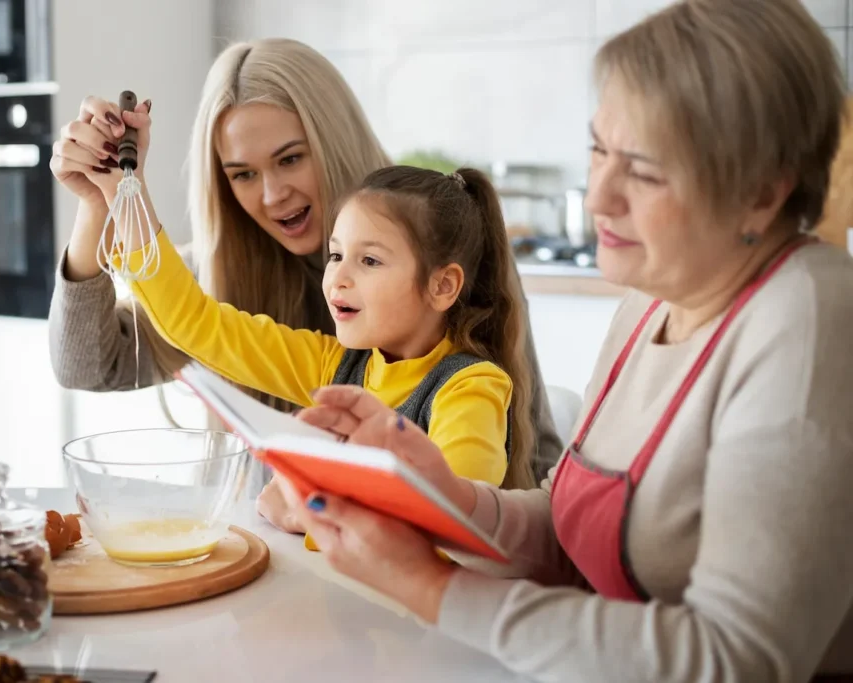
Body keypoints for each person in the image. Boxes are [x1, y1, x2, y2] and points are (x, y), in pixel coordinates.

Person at [276, 1, 853, 681]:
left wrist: (431, 588)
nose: (598, 195)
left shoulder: (808, 320)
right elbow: (571, 525)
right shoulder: (654, 293)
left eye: (643, 169)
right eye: (599, 151)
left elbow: (737, 657)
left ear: (761, 194)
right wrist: (444, 498)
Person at [46, 38, 564, 531]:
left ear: (444, 286)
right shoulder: (328, 359)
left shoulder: (466, 365)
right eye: (242, 174)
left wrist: (309, 504)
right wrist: (114, 195)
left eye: (290, 158)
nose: (272, 195)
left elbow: (455, 516)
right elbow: (184, 325)